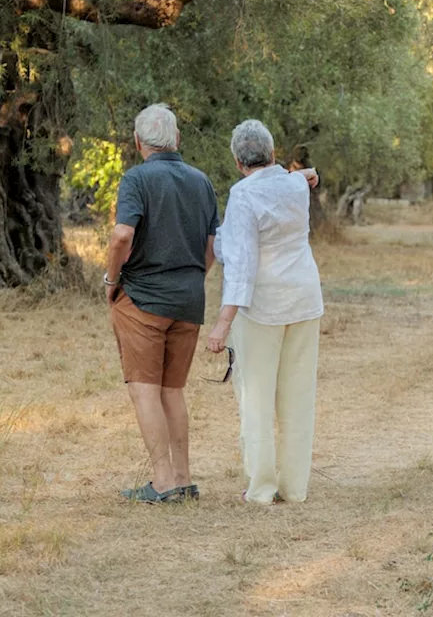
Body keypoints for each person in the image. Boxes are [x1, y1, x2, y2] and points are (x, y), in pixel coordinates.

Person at [207, 119, 325, 505]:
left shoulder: (243, 196)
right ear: (273, 154)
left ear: (238, 162)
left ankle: (261, 487)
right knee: (298, 394)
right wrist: (308, 173)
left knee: (256, 396)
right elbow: (302, 177)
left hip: (264, 304)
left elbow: (241, 266)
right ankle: (295, 487)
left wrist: (221, 324)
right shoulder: (295, 184)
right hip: (305, 297)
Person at [105, 103, 218, 504]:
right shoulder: (201, 181)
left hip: (144, 300)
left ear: (139, 142)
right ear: (177, 140)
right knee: (173, 391)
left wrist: (111, 279)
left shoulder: (137, 179)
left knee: (145, 391)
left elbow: (121, 236)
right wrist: (192, 279)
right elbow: (211, 247)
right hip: (189, 301)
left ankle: (163, 482)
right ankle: (183, 478)